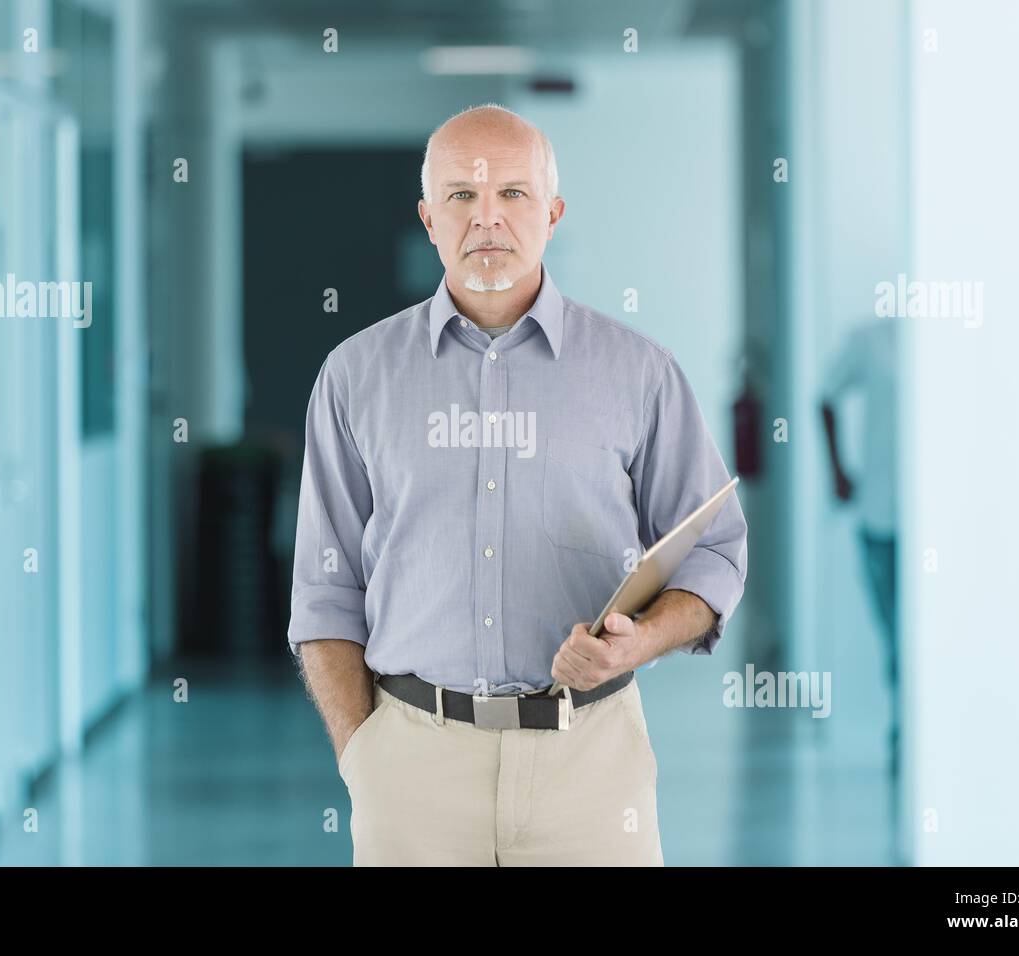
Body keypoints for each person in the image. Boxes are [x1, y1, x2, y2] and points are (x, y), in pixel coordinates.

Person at [288, 104, 748, 866]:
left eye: (513, 194)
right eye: (462, 196)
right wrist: (361, 759)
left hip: (591, 767)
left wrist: (638, 646)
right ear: (428, 217)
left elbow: (717, 554)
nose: (487, 219)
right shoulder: (355, 376)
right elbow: (323, 591)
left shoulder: (639, 372)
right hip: (413, 770)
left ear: (554, 213)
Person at [820, 317, 900, 801]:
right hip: (881, 515)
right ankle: (903, 728)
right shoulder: (870, 338)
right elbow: (825, 395)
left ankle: (913, 733)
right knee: (895, 635)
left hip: (933, 524)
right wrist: (837, 471)